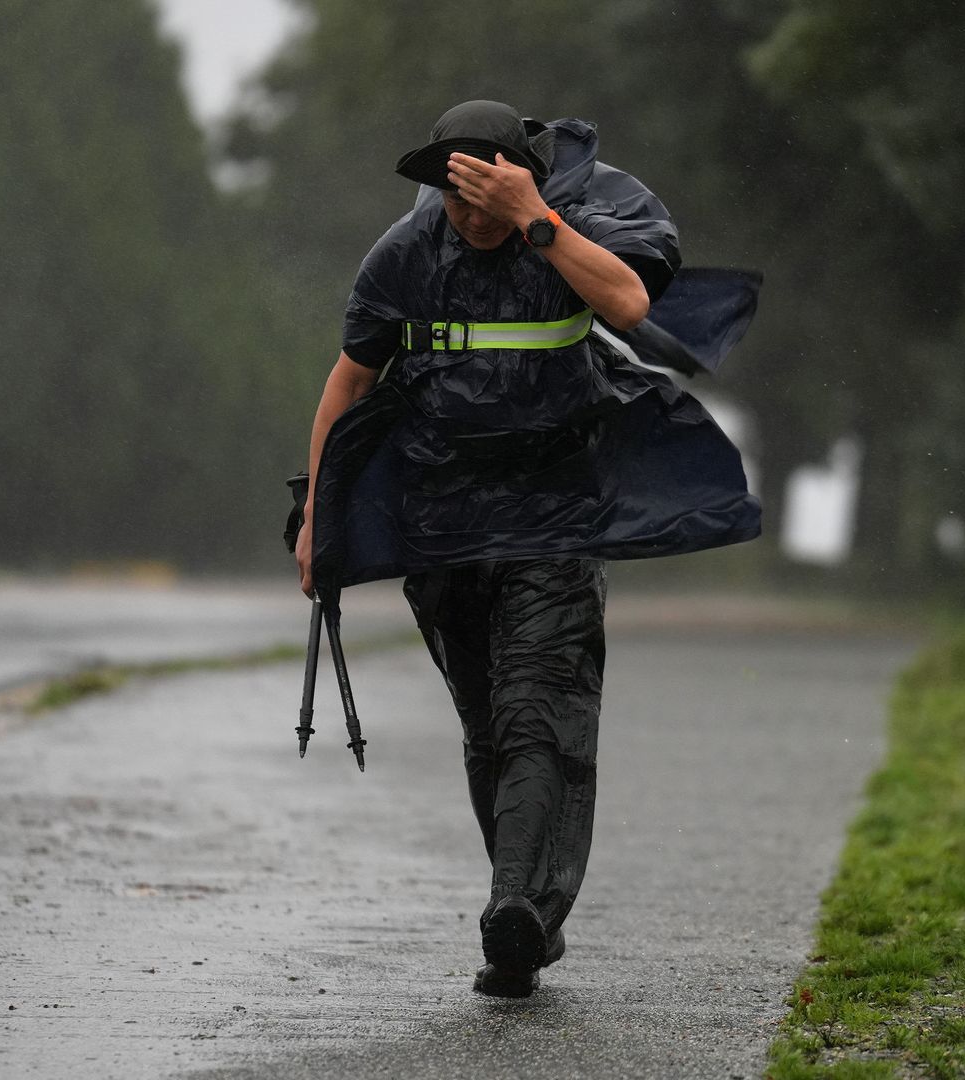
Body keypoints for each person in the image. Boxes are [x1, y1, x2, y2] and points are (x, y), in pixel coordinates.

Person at [293, 101, 760, 998]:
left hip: (553, 519)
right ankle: (530, 912)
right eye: (454, 197)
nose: (467, 217)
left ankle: (513, 914)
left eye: (483, 196)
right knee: (486, 727)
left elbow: (626, 301)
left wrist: (533, 221)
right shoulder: (402, 257)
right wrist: (320, 517)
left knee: (538, 713)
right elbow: (349, 381)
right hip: (444, 528)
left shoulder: (561, 234)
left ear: (517, 179)